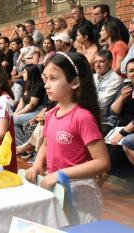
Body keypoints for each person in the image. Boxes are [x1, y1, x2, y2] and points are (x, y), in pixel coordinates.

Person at [25, 52, 110, 225]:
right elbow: (46, 145)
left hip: (80, 194)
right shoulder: (51, 114)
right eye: (45, 78)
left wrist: (60, 174)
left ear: (75, 82)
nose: (47, 85)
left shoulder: (82, 117)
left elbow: (102, 162)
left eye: (53, 78)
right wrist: (36, 165)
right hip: (57, 187)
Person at [110, 58, 134, 167]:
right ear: (127, 74)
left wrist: (122, 132)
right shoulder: (128, 88)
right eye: (131, 71)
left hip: (127, 130)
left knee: (126, 142)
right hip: (122, 127)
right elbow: (114, 111)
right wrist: (121, 98)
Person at [14, 64, 45, 146]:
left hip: (37, 111)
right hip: (29, 111)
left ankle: (22, 146)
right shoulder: (26, 84)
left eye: (24, 72)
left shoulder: (38, 85)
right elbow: (22, 101)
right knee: (11, 118)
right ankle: (20, 145)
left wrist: (17, 114)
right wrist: (15, 113)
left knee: (12, 120)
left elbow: (31, 105)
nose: (22, 74)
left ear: (30, 73)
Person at [93, 50, 123, 134]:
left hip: (105, 122)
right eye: (95, 62)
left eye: (101, 61)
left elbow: (102, 103)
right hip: (91, 117)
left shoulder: (116, 80)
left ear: (110, 63)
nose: (97, 65)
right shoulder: (93, 77)